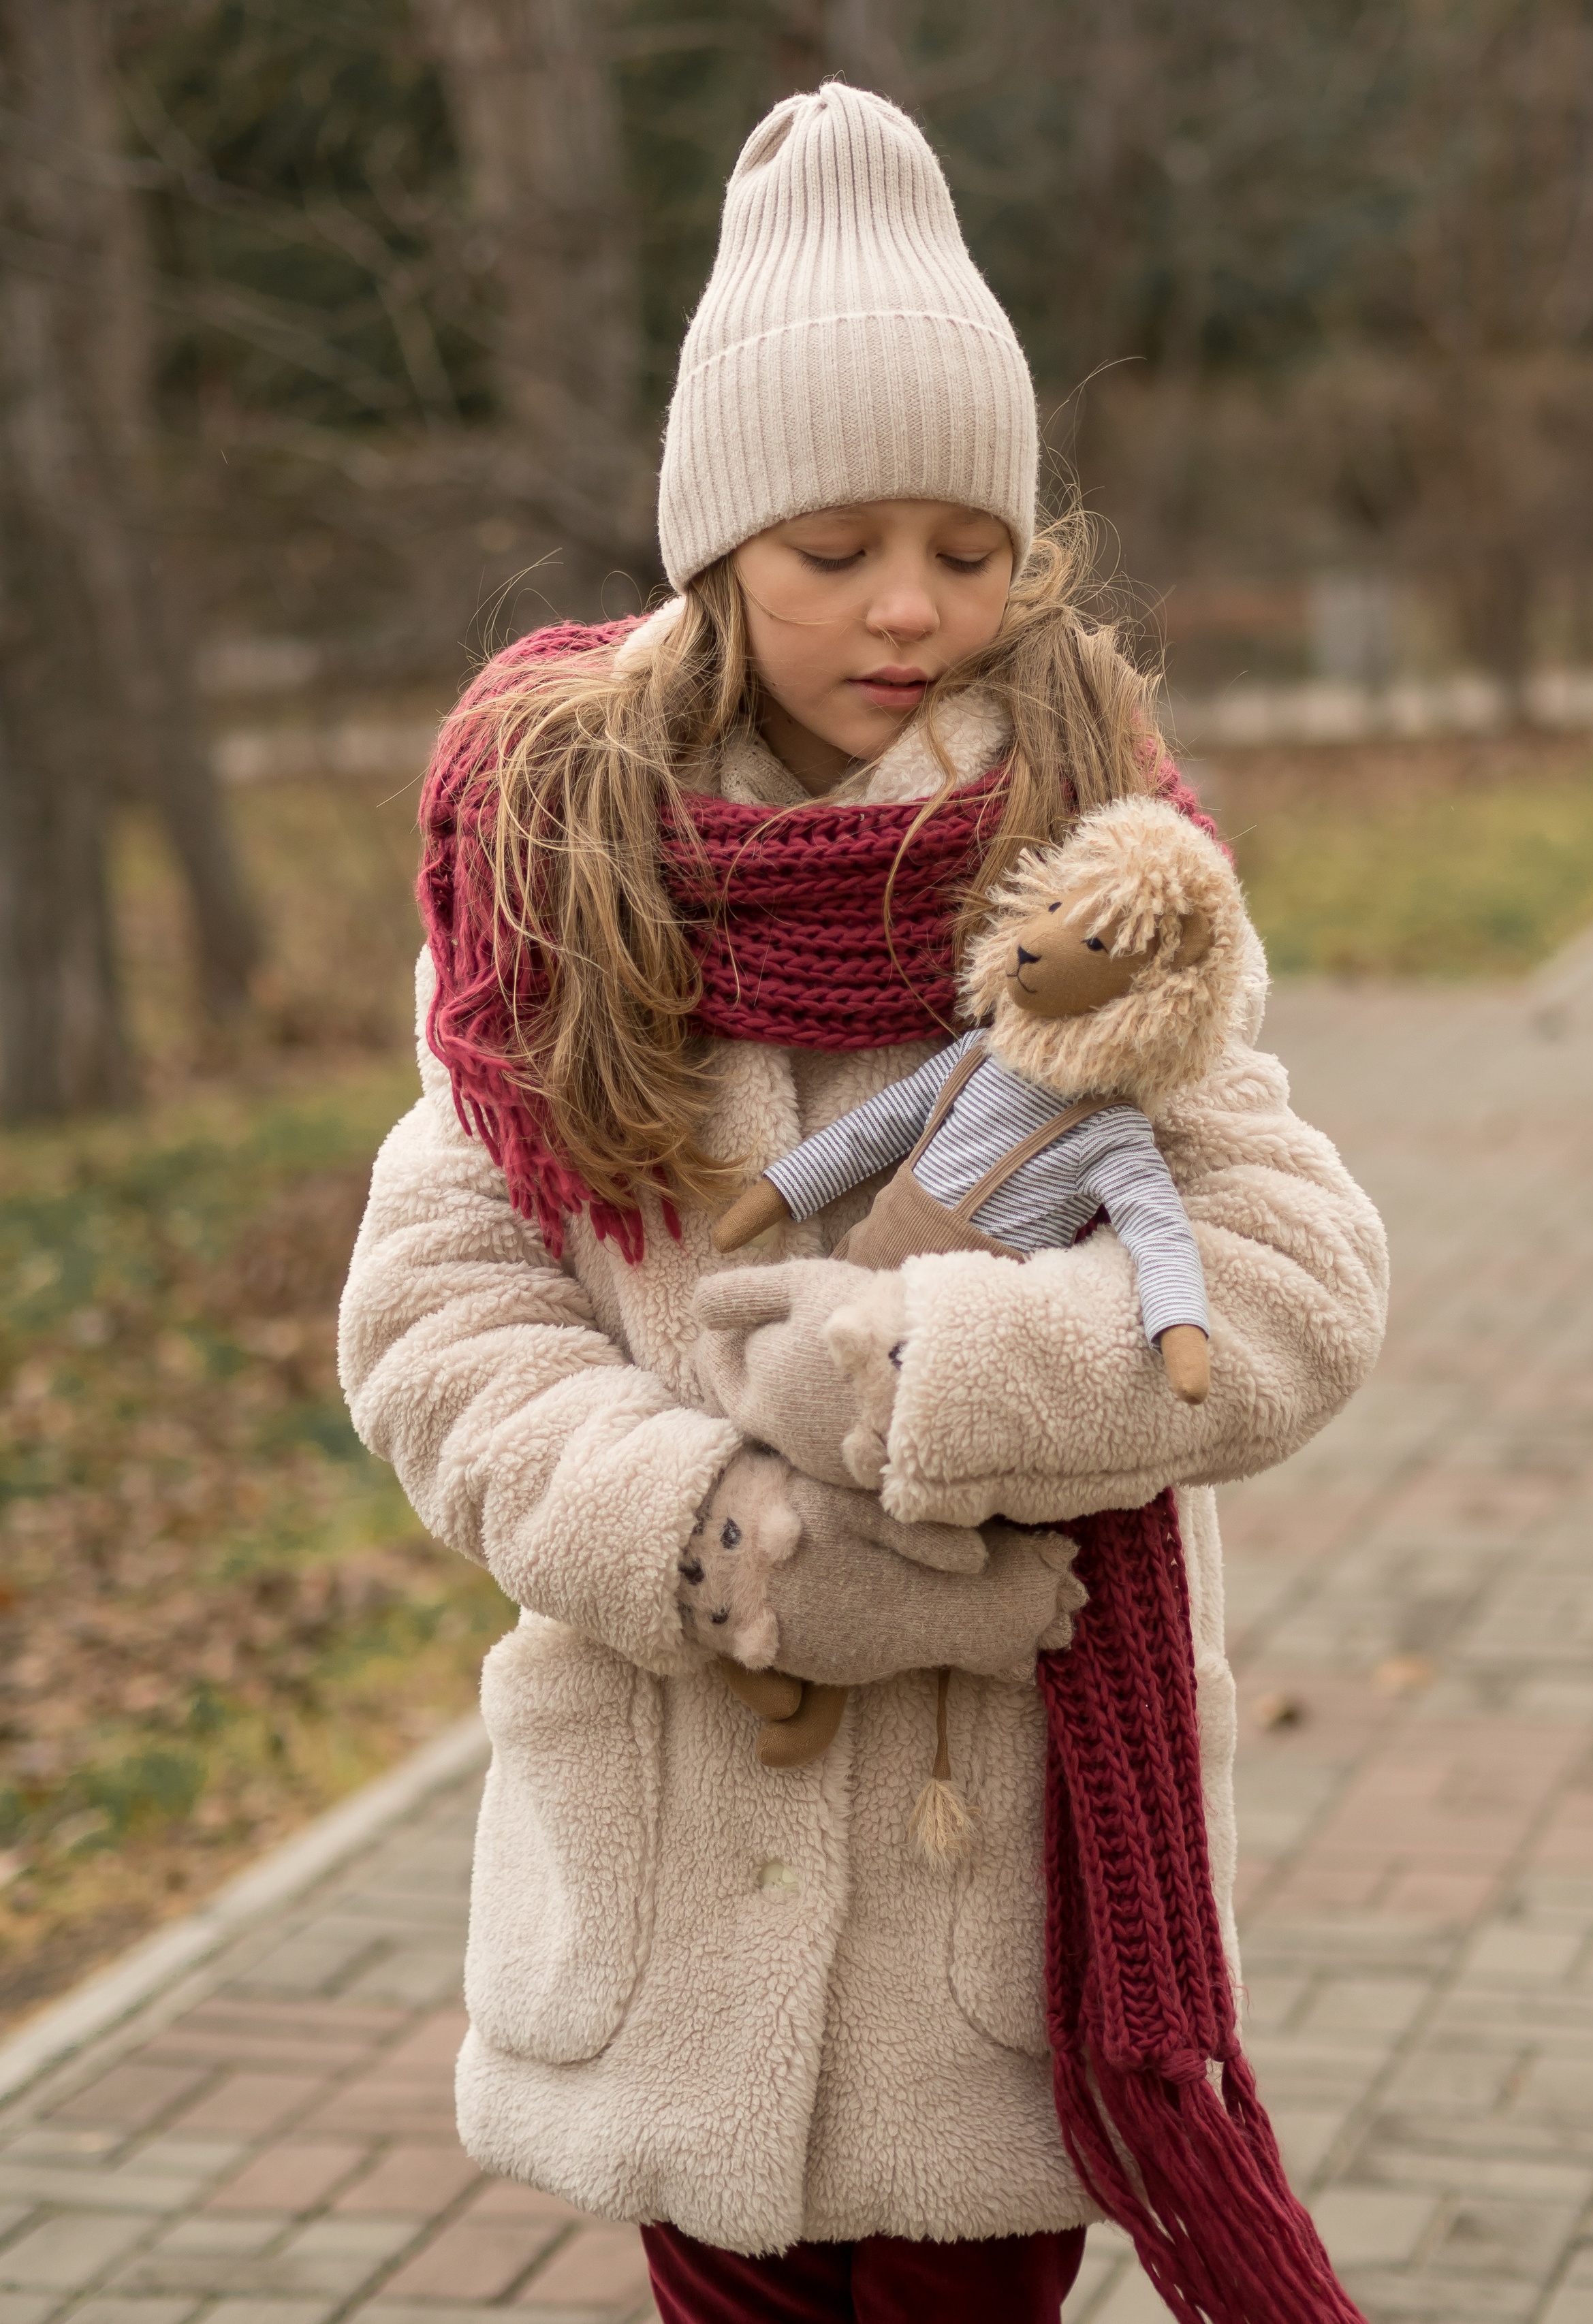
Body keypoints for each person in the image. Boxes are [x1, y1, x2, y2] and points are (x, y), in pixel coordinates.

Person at [338, 82, 1387, 2324]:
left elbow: (1298, 1277)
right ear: (718, 547)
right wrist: (718, 1536)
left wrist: (935, 1382)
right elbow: (440, 1314)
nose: (910, 610)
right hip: (672, 1861)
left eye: (970, 545)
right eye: (835, 551)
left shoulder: (1113, 877)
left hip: (1001, 1900)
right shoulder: (550, 875)